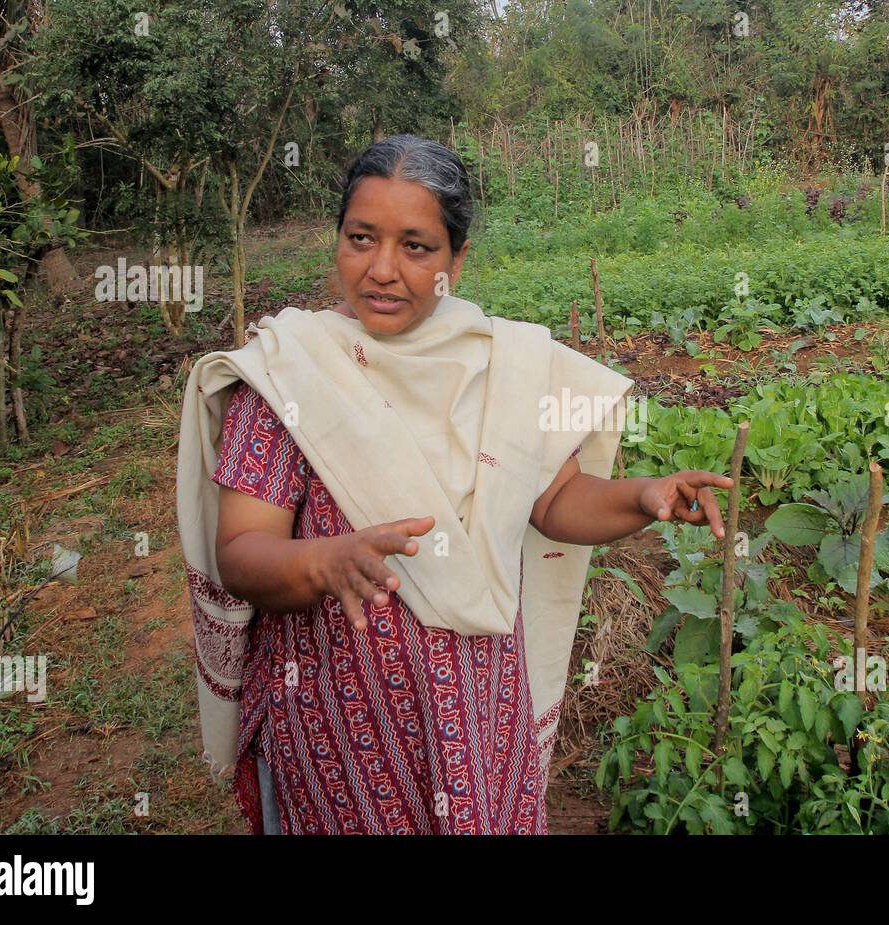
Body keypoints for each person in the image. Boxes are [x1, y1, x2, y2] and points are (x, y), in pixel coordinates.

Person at [176, 134, 732, 834]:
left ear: (456, 260)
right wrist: (325, 560)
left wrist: (643, 496)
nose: (383, 268)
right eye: (361, 238)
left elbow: (554, 500)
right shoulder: (293, 371)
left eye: (416, 246)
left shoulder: (503, 366)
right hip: (339, 728)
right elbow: (243, 549)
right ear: (337, 241)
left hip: (478, 710)